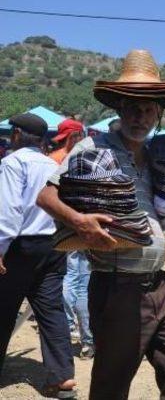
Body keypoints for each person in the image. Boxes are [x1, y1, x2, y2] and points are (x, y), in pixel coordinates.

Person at [37, 50, 165, 400]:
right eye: (132, 107)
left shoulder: (163, 156)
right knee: (111, 387)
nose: (139, 116)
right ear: (119, 109)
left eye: (147, 110)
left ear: (159, 113)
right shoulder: (93, 148)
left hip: (160, 286)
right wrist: (80, 221)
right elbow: (46, 197)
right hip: (117, 288)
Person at [0, 113, 76, 398]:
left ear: (17, 135)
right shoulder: (52, 165)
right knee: (51, 310)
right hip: (53, 246)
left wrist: (0, 249)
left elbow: (8, 212)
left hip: (21, 246)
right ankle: (62, 377)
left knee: (4, 308)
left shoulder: (12, 163)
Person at [49, 118, 95, 359]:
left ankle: (66, 331)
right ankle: (88, 341)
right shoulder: (88, 158)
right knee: (83, 286)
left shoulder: (53, 160)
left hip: (63, 228)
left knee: (69, 281)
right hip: (84, 226)